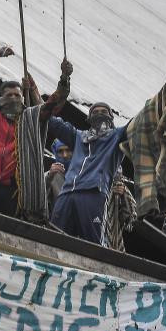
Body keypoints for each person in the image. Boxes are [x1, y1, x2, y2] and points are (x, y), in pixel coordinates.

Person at [47, 94, 129, 243]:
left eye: (104, 112)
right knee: (54, 238)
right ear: (89, 119)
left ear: (111, 118)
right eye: (95, 112)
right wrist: (34, 92)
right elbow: (52, 121)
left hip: (93, 193)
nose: (99, 115)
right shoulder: (78, 136)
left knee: (92, 243)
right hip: (66, 193)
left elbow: (138, 124)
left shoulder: (117, 137)